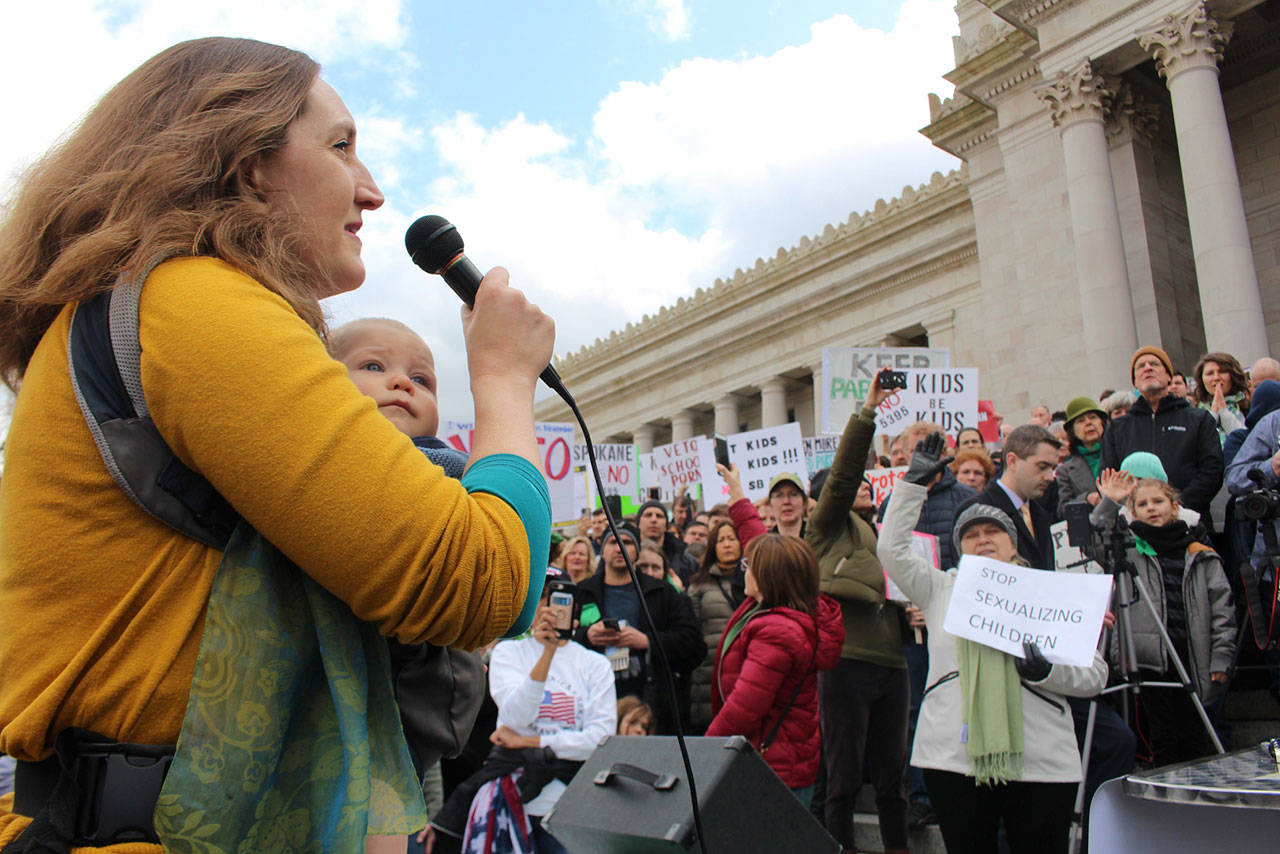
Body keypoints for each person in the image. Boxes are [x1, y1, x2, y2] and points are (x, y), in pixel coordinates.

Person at [0, 37, 553, 852]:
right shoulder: (193, 299)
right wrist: (505, 383)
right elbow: (479, 584)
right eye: (340, 146)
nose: (371, 190)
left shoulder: (154, 302)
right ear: (244, 159)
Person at [877, 434, 1107, 854]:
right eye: (970, 535)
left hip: (1040, 760)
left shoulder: (1049, 592)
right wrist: (912, 485)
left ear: (1011, 543)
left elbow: (1094, 674)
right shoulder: (939, 588)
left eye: (993, 532)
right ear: (958, 550)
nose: (982, 539)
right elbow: (890, 549)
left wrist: (1047, 670)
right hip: (955, 757)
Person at [428, 578, 617, 853]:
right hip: (512, 802)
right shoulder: (507, 653)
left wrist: (531, 743)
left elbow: (600, 739)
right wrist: (547, 654)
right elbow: (516, 717)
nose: (548, 607)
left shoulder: (595, 665)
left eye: (556, 599)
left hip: (572, 806)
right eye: (541, 598)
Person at [806, 373, 911, 854]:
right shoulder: (826, 527)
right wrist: (868, 410)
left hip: (893, 663)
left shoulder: (881, 534)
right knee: (843, 781)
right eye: (854, 486)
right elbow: (846, 473)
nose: (863, 487)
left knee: (893, 783)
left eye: (871, 482)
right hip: (846, 663)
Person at [1093, 476, 1234, 765]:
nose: (1151, 508)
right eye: (1142, 504)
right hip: (1150, 662)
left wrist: (1222, 657)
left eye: (1158, 501)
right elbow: (1096, 538)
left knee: (1195, 737)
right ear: (1132, 512)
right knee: (1163, 736)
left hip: (1194, 656)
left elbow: (1223, 611)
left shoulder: (1200, 554)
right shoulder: (1128, 549)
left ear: (1174, 506)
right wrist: (1111, 503)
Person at [706, 535, 843, 806]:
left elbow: (745, 707)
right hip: (781, 762)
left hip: (772, 769)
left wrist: (708, 750)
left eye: (750, 565)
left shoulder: (777, 632)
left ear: (767, 575)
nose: (744, 570)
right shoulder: (775, 615)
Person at [572, 527, 705, 735]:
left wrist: (647, 641)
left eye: (627, 542)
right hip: (595, 703)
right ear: (602, 551)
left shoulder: (661, 592)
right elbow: (560, 644)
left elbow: (694, 644)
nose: (619, 548)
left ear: (636, 552)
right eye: (612, 542)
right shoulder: (582, 592)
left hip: (652, 704)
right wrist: (586, 636)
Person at [1100, 346, 1224, 524]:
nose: (1148, 368)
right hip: (1136, 529)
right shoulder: (1118, 428)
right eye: (1141, 366)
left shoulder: (1198, 419)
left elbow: (1212, 471)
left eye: (1155, 364)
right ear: (1134, 381)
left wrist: (1174, 509)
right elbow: (1109, 477)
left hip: (1189, 524)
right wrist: (1140, 511)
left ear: (1169, 376)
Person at [960, 425, 1060, 569]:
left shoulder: (1040, 513)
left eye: (1053, 468)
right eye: (1042, 466)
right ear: (1012, 461)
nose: (1050, 477)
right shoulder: (975, 511)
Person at [686, 520, 749, 733]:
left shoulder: (756, 580)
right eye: (721, 540)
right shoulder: (698, 585)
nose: (727, 544)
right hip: (709, 671)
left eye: (731, 539)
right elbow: (692, 632)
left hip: (747, 668)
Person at [1056, 397, 1108, 513]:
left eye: (1093, 417)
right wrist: (1085, 498)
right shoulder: (1066, 470)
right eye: (1081, 420)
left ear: (1102, 422)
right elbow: (1063, 509)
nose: (1088, 423)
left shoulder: (1118, 453)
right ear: (1072, 431)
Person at [635, 499, 699, 584]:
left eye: (659, 516)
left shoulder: (688, 562)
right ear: (638, 523)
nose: (654, 520)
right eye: (648, 515)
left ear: (666, 525)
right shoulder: (627, 555)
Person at [1192, 352, 1251, 437]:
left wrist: (1224, 412)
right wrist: (1213, 415)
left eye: (1222, 372)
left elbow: (1248, 441)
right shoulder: (1194, 413)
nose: (1216, 378)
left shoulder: (1247, 407)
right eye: (1210, 373)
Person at [767, 472, 808, 538]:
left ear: (804, 502)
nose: (786, 501)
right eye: (779, 496)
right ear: (770, 504)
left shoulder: (819, 538)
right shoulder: (765, 545)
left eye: (793, 494)